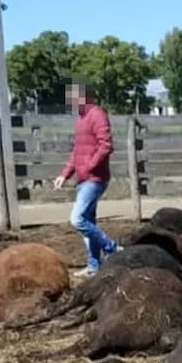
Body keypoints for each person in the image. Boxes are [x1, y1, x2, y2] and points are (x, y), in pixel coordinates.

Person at [53, 81, 120, 277]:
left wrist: (90, 165)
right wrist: (64, 174)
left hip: (95, 177)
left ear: (84, 96)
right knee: (89, 222)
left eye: (74, 97)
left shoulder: (97, 114)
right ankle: (93, 266)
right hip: (84, 178)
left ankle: (111, 248)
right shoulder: (82, 118)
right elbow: (77, 152)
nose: (71, 101)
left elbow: (106, 145)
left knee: (77, 219)